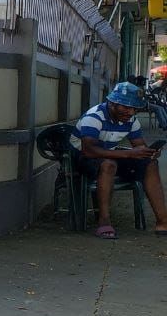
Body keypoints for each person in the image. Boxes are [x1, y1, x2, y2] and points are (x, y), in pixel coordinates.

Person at [71, 81, 167, 238]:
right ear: (112, 103)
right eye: (126, 107)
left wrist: (148, 153)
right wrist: (130, 154)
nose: (130, 112)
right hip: (83, 160)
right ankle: (104, 221)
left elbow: (139, 145)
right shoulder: (94, 116)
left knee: (150, 164)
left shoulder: (130, 120)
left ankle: (163, 221)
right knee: (108, 165)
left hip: (109, 155)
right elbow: (89, 150)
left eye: (134, 108)